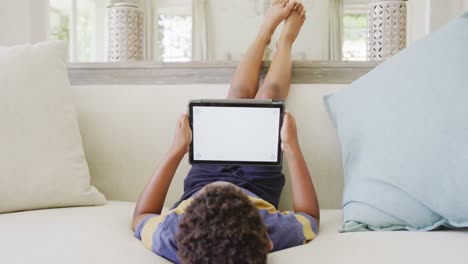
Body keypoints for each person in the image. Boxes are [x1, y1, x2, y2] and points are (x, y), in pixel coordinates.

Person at [132, 1, 319, 263]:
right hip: (257, 183)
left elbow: (141, 217)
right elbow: (309, 218)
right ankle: (285, 42)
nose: (227, 185)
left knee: (237, 99)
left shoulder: (173, 237)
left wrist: (177, 150)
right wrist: (291, 145)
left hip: (203, 179)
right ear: (268, 242)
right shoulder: (263, 230)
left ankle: (263, 33)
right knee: (268, 99)